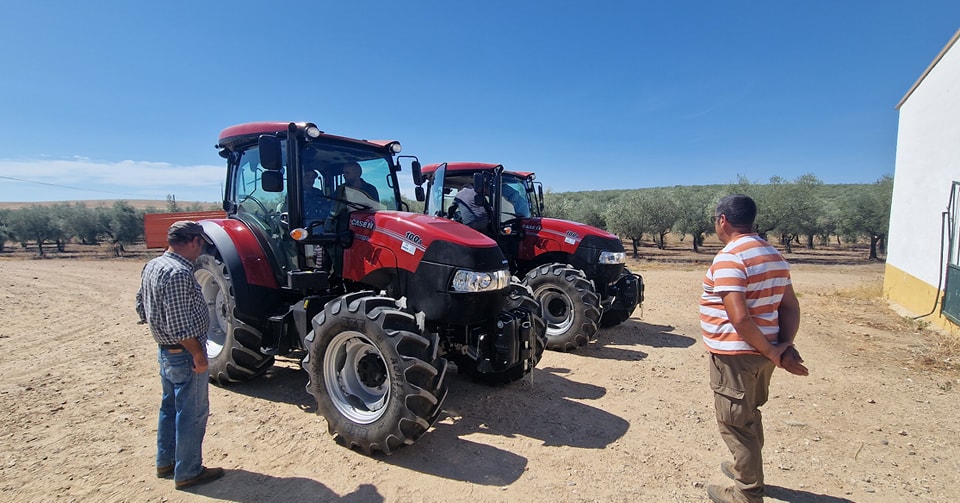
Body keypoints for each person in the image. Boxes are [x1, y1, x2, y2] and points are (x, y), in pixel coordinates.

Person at [699, 194, 808, 503]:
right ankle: (743, 468)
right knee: (749, 413)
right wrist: (783, 345)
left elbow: (740, 318)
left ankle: (746, 494)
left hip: (737, 356)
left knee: (735, 424)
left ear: (723, 220)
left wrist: (777, 351)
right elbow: (789, 306)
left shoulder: (731, 257)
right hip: (763, 354)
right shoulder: (773, 254)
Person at [135, 221, 225, 490]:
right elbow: (178, 325)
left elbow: (141, 306)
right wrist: (198, 354)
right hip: (184, 354)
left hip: (166, 352)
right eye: (201, 243)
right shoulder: (178, 273)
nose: (202, 249)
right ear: (193, 241)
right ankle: (188, 471)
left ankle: (166, 462)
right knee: (192, 413)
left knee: (170, 407)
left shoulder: (153, 266)